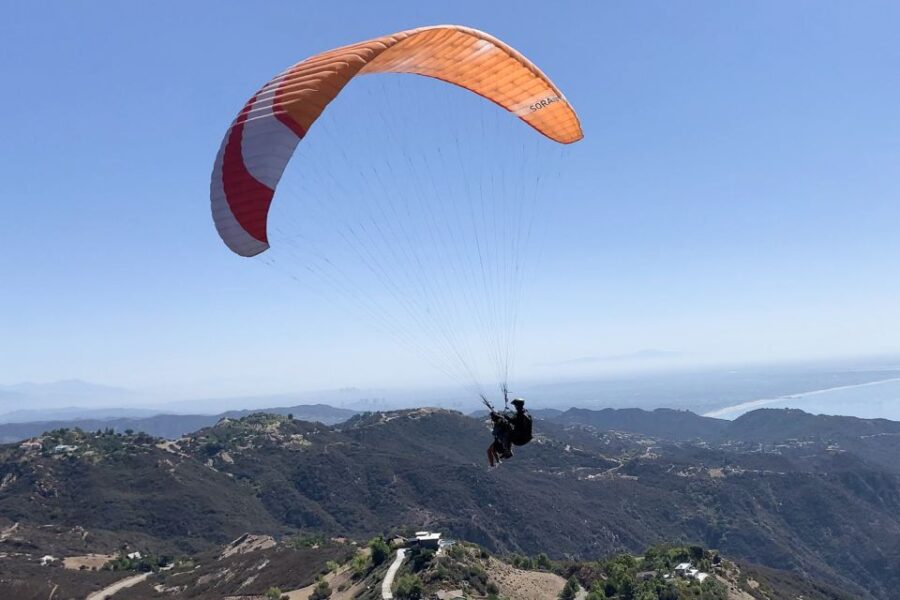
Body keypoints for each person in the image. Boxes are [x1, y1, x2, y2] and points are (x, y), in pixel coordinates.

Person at [486, 397, 533, 467]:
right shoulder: (525, 413)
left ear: (517, 406)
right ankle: (507, 450)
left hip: (520, 439)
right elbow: (514, 421)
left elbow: (513, 421)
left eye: (515, 406)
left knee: (504, 432)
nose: (515, 407)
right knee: (507, 430)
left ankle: (507, 450)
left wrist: (503, 417)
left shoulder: (520, 415)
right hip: (526, 437)